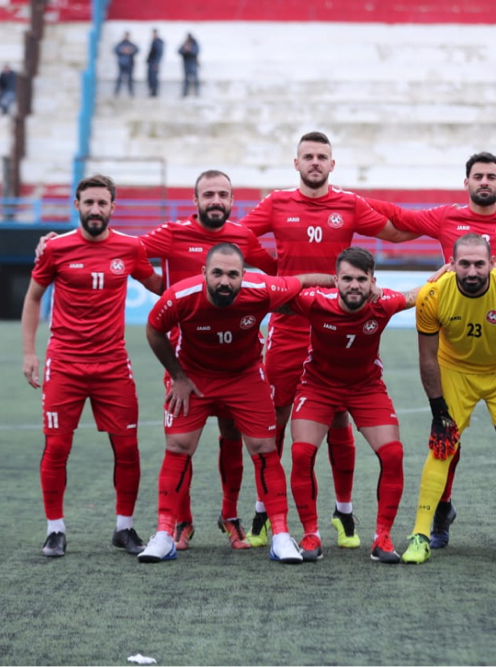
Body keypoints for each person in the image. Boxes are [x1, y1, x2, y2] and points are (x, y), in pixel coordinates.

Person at [33, 169, 280, 552]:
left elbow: (277, 273)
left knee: (233, 437)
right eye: (208, 194)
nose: (216, 200)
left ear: (232, 202)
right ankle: (181, 522)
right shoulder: (171, 233)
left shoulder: (244, 238)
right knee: (181, 442)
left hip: (235, 356)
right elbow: (115, 247)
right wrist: (53, 243)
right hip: (182, 359)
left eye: (223, 194)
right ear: (195, 201)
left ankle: (229, 516)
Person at [364, 151, 496, 551]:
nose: (484, 182)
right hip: (455, 358)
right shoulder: (443, 220)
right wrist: (345, 198)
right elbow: (399, 217)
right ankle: (439, 513)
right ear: (466, 182)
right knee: (444, 442)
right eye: (477, 176)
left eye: (491, 176)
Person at [239, 131, 414, 550]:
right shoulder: (276, 202)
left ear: (332, 165)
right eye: (308, 156)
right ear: (295, 163)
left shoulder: (349, 204)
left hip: (341, 322)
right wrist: (276, 271)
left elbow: (394, 233)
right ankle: (267, 511)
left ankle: (344, 512)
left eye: (322, 157)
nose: (315, 162)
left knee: (339, 417)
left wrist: (440, 226)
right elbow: (240, 238)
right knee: (277, 421)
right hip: (291, 326)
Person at [139, 243, 333, 564]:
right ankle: (163, 534)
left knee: (263, 447)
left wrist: (344, 281)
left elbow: (303, 279)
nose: (224, 281)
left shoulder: (261, 289)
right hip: (195, 376)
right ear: (204, 274)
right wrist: (178, 376)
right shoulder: (180, 296)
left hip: (244, 376)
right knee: (178, 445)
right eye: (217, 273)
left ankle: (281, 536)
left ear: (244, 276)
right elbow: (154, 330)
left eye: (232, 274)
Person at [21, 174, 164, 558]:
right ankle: (55, 530)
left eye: (103, 203)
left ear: (113, 207)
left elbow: (160, 286)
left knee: (128, 448)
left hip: (113, 365)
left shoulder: (130, 248)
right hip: (65, 364)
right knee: (57, 447)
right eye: (89, 203)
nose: (96, 209)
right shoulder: (56, 249)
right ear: (77, 205)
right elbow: (34, 298)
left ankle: (124, 528)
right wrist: (30, 353)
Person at [402, 234, 496, 566]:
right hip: (455, 372)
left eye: (479, 263)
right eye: (464, 263)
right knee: (441, 445)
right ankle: (420, 534)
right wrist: (438, 409)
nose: (471, 271)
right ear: (451, 265)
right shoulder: (432, 295)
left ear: (492, 264)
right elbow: (427, 359)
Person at [286, 247, 422, 563]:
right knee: (301, 452)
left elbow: (417, 295)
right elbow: (278, 291)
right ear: (336, 280)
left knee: (393, 453)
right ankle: (310, 535)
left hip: (366, 388)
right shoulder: (315, 302)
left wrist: (446, 272)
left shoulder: (383, 304)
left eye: (362, 279)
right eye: (347, 278)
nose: (354, 285)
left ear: (373, 281)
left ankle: (382, 539)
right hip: (318, 387)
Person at [114, 32, 138, 97]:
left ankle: (131, 93)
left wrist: (130, 50)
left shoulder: (131, 44)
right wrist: (122, 50)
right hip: (121, 64)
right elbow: (115, 49)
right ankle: (116, 92)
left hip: (129, 64)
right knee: (119, 79)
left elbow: (136, 49)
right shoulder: (120, 44)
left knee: (130, 79)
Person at [146, 29, 163, 97]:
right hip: (151, 62)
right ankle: (152, 91)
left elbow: (159, 54)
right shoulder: (154, 41)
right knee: (150, 78)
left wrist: (156, 63)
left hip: (154, 63)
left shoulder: (158, 42)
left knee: (154, 78)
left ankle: (154, 92)